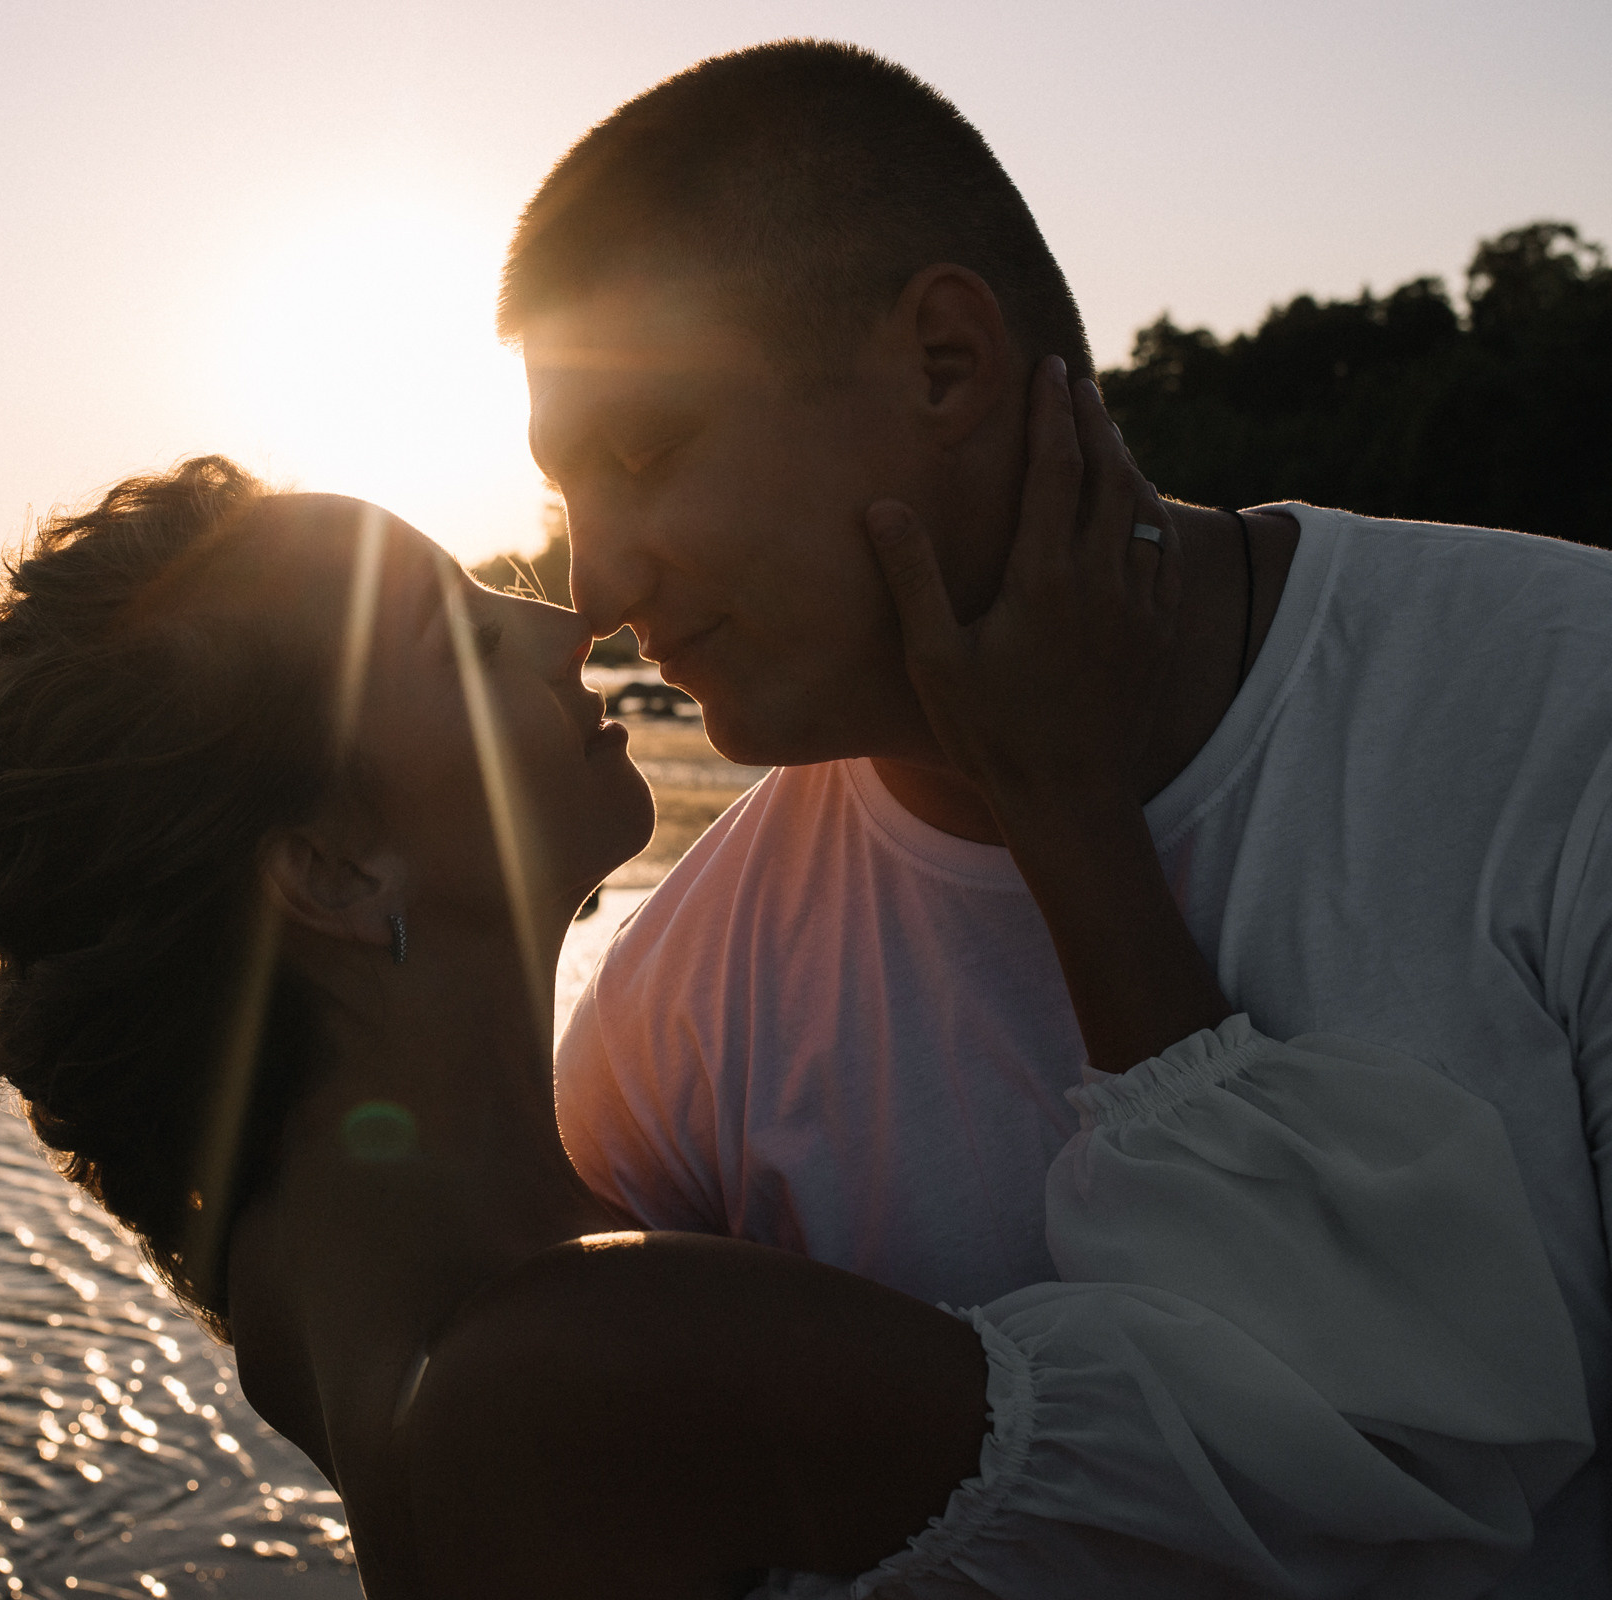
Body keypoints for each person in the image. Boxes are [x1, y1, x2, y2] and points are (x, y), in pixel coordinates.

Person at [0, 398, 1588, 1596]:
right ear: (335, 877)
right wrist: (1063, 808)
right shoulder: (587, 1356)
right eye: (447, 634)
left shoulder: (332, 1343)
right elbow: (1412, 1434)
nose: (559, 617)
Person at [515, 40, 1612, 1596]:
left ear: (947, 363)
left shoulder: (1567, 715)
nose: (598, 588)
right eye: (569, 501)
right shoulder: (671, 1011)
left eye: (645, 455)